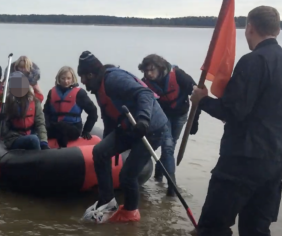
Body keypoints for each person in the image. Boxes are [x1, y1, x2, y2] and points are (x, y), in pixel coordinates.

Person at [191, 6, 282, 236]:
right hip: (276, 162)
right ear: (277, 29)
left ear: (250, 27)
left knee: (212, 228)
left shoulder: (253, 62)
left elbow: (233, 112)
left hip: (242, 161)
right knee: (256, 234)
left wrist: (202, 100)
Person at [78, 51, 168, 223]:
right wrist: (109, 144)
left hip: (151, 128)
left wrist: (143, 120)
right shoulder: (99, 87)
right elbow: (109, 117)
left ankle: (131, 212)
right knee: (100, 151)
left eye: (82, 77)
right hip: (129, 127)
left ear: (90, 74)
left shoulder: (113, 79)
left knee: (127, 175)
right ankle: (108, 201)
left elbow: (145, 94)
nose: (82, 81)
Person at [138, 54, 196, 196]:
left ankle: (159, 173)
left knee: (171, 145)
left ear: (161, 68)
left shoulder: (178, 75)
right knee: (168, 147)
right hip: (163, 116)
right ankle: (172, 187)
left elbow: (197, 95)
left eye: (152, 70)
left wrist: (195, 121)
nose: (149, 74)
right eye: (146, 71)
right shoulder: (144, 83)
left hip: (180, 115)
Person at [44, 66, 98, 148]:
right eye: (63, 78)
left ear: (73, 79)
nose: (66, 81)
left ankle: (62, 152)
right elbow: (45, 112)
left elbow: (93, 112)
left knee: (61, 126)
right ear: (59, 79)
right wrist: (46, 126)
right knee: (53, 128)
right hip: (55, 126)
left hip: (73, 128)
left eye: (68, 78)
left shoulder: (80, 93)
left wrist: (86, 130)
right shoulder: (52, 92)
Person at [0, 71, 49, 151]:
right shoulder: (7, 103)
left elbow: (40, 124)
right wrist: (0, 121)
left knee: (35, 138)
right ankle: (40, 160)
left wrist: (43, 142)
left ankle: (39, 155)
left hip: (31, 134)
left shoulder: (35, 102)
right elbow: (4, 132)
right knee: (33, 139)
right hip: (13, 138)